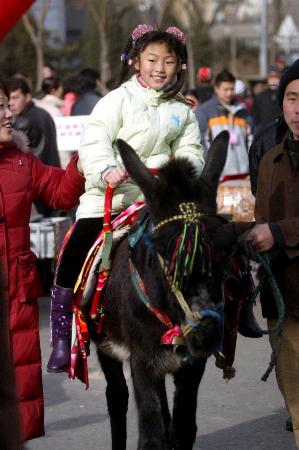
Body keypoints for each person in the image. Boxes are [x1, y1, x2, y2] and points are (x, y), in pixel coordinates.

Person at [46, 24, 204, 375]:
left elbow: (192, 151)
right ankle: (63, 338)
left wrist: (170, 174)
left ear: (180, 65)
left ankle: (210, 320)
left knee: (204, 245)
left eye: (168, 60)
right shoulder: (114, 101)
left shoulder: (183, 111)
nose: (160, 68)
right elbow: (95, 141)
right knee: (72, 255)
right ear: (135, 61)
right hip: (111, 201)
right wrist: (105, 170)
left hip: (159, 202)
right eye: (152, 59)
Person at [0, 80, 85, 441]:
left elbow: (61, 191)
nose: (9, 114)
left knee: (20, 386)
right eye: (0, 108)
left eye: (7, 105)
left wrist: (84, 160)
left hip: (17, 290)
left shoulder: (22, 161)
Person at [222, 59, 299, 448]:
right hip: (282, 296)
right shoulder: (268, 154)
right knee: (297, 403)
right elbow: (261, 217)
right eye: (291, 98)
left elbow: (273, 228)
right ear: (281, 101)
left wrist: (279, 234)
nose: (298, 108)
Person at [195, 69, 252, 176]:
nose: (229, 93)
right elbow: (201, 144)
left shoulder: (243, 111)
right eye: (225, 89)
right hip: (218, 176)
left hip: (243, 173)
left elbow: (251, 141)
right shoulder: (204, 112)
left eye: (232, 89)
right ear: (216, 88)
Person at [251, 64, 283, 133]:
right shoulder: (260, 97)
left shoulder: (285, 96)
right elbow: (254, 118)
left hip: (282, 134)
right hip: (264, 134)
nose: (274, 81)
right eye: (271, 78)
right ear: (267, 79)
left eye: (276, 77)